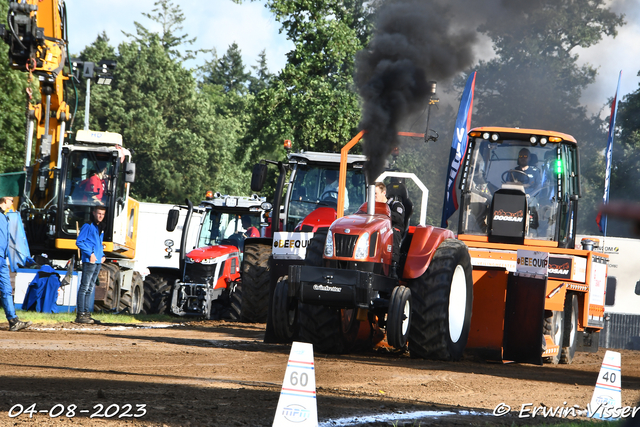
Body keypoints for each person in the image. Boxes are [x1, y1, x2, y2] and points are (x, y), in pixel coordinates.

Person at [0, 197, 31, 331]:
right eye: (10, 200)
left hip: (1, 258)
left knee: (7, 289)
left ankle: (13, 320)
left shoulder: (4, 217)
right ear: (3, 200)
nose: (12, 202)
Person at [75, 205, 107, 324]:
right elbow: (79, 242)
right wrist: (90, 253)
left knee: (90, 287)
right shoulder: (87, 226)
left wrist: (103, 255)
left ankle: (87, 314)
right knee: (84, 287)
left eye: (102, 214)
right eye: (99, 214)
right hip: (90, 261)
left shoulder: (100, 228)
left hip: (98, 261)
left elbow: (99, 244)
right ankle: (81, 314)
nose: (100, 216)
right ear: (93, 213)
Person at [374, 182, 404, 279]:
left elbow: (399, 218)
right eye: (372, 194)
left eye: (375, 193)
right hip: (379, 231)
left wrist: (386, 213)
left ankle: (393, 267)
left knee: (392, 232)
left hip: (393, 231)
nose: (374, 196)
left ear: (384, 193)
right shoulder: (371, 207)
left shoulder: (395, 205)